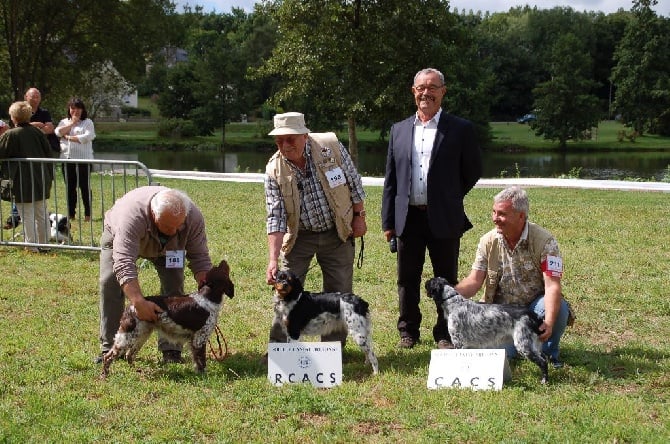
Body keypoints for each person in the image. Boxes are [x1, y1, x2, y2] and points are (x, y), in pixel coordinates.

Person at [381, 67, 482, 349]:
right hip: (407, 218)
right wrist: (388, 221)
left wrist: (448, 195)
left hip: (444, 217)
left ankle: (445, 333)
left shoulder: (460, 129)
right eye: (421, 88)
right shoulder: (398, 130)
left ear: (443, 92)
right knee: (407, 279)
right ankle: (408, 331)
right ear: (414, 92)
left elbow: (472, 170)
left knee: (446, 280)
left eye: (432, 87)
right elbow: (392, 179)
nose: (426, 93)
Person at [264, 112, 367, 345]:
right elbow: (275, 217)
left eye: (290, 139)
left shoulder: (330, 146)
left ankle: (332, 349)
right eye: (279, 141)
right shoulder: (274, 170)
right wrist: (272, 259)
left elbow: (353, 182)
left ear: (305, 135)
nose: (285, 146)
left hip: (337, 231)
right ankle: (279, 348)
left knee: (338, 290)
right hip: (299, 236)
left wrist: (359, 216)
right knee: (285, 292)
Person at [455, 186, 570, 368]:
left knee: (560, 309)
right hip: (501, 314)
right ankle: (519, 345)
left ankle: (548, 352)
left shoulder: (545, 242)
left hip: (533, 310)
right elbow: (474, 281)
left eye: (502, 214)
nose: (495, 219)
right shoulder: (488, 241)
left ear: (521, 216)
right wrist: (450, 293)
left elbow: (552, 286)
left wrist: (548, 321)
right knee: (496, 355)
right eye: (493, 212)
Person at [97, 186, 212, 364]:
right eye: (168, 226)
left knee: (175, 286)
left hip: (170, 250)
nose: (174, 231)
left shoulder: (192, 217)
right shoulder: (131, 218)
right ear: (153, 214)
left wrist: (206, 287)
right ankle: (111, 348)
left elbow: (200, 257)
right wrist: (138, 301)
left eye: (178, 226)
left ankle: (171, 350)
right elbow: (124, 262)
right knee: (109, 283)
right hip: (119, 238)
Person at [0, 101, 54, 252]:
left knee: (27, 214)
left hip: (21, 180)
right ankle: (45, 245)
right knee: (41, 213)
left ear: (13, 117)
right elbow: (49, 154)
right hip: (41, 178)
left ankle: (31, 246)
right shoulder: (38, 132)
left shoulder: (11, 134)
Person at [55, 98, 96, 222]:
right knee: (70, 188)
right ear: (69, 109)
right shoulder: (64, 121)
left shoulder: (88, 122)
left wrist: (68, 137)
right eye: (73, 108)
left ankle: (88, 214)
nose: (75, 111)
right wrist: (72, 124)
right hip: (67, 160)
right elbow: (58, 132)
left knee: (84, 187)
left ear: (82, 109)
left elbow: (88, 137)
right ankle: (71, 214)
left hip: (84, 160)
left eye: (78, 108)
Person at [25, 87, 60, 154]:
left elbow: (50, 129)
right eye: (33, 97)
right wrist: (37, 124)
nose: (36, 99)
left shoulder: (44, 112)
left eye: (38, 97)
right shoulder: (21, 113)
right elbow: (19, 128)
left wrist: (29, 129)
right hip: (29, 149)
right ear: (26, 97)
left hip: (47, 148)